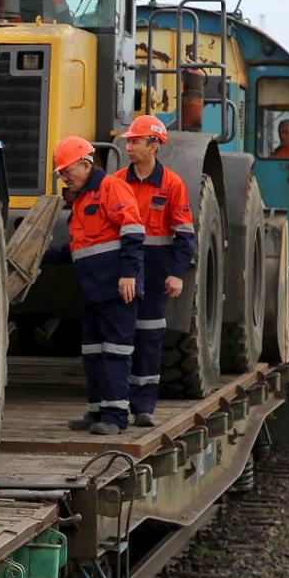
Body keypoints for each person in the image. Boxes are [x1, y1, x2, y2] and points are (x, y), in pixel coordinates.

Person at [44, 136, 146, 435]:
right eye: (61, 173)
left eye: (66, 171)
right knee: (92, 353)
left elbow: (132, 231)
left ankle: (115, 417)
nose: (64, 178)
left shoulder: (110, 188)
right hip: (93, 291)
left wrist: (128, 274)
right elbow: (78, 247)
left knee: (115, 352)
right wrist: (41, 257)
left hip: (116, 289)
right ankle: (97, 410)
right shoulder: (82, 199)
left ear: (86, 165)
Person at [115, 116, 196, 427]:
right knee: (122, 337)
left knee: (149, 338)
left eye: (135, 141)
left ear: (154, 146)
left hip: (156, 271)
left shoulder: (172, 184)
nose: (128, 145)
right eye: (129, 140)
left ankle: (144, 406)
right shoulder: (119, 181)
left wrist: (176, 274)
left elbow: (185, 236)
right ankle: (118, 404)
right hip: (126, 269)